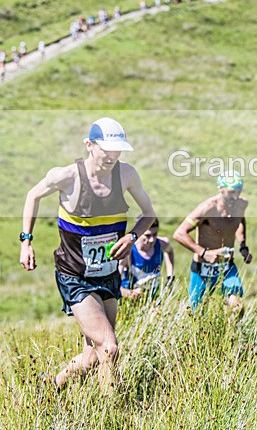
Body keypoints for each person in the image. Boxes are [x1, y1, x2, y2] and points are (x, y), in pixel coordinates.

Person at [19, 117, 156, 391]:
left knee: (92, 357)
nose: (112, 155)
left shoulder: (127, 175)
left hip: (107, 275)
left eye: (118, 150)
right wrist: (26, 241)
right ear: (89, 145)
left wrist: (131, 238)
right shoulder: (67, 176)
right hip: (75, 276)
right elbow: (33, 195)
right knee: (109, 347)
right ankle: (111, 414)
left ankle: (50, 388)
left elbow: (149, 215)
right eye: (107, 149)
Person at [172, 171, 252, 311]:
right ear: (220, 189)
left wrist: (243, 245)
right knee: (196, 314)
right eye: (231, 192)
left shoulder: (241, 204)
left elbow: (240, 221)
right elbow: (179, 233)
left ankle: (231, 333)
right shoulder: (207, 208)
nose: (235, 196)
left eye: (238, 191)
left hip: (227, 266)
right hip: (202, 268)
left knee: (237, 306)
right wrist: (204, 253)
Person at [119, 218, 175, 299]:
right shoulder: (129, 251)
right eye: (147, 236)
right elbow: (114, 282)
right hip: (131, 299)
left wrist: (170, 276)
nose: (152, 240)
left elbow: (170, 252)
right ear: (138, 234)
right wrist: (129, 293)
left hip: (152, 297)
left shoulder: (162, 244)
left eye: (155, 234)